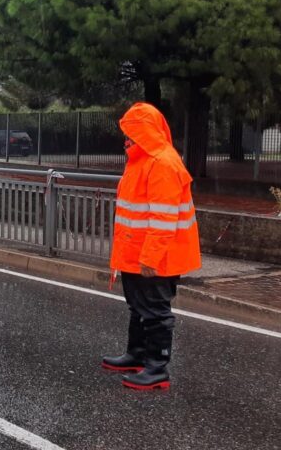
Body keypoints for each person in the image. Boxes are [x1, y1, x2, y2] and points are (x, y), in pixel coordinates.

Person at [102, 102, 201, 390]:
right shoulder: (141, 161)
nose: (126, 139)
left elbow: (163, 219)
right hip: (136, 253)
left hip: (156, 257)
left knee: (155, 310)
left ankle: (157, 367)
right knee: (138, 306)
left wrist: (150, 258)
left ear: (145, 133)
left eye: (131, 133)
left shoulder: (162, 163)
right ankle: (137, 354)